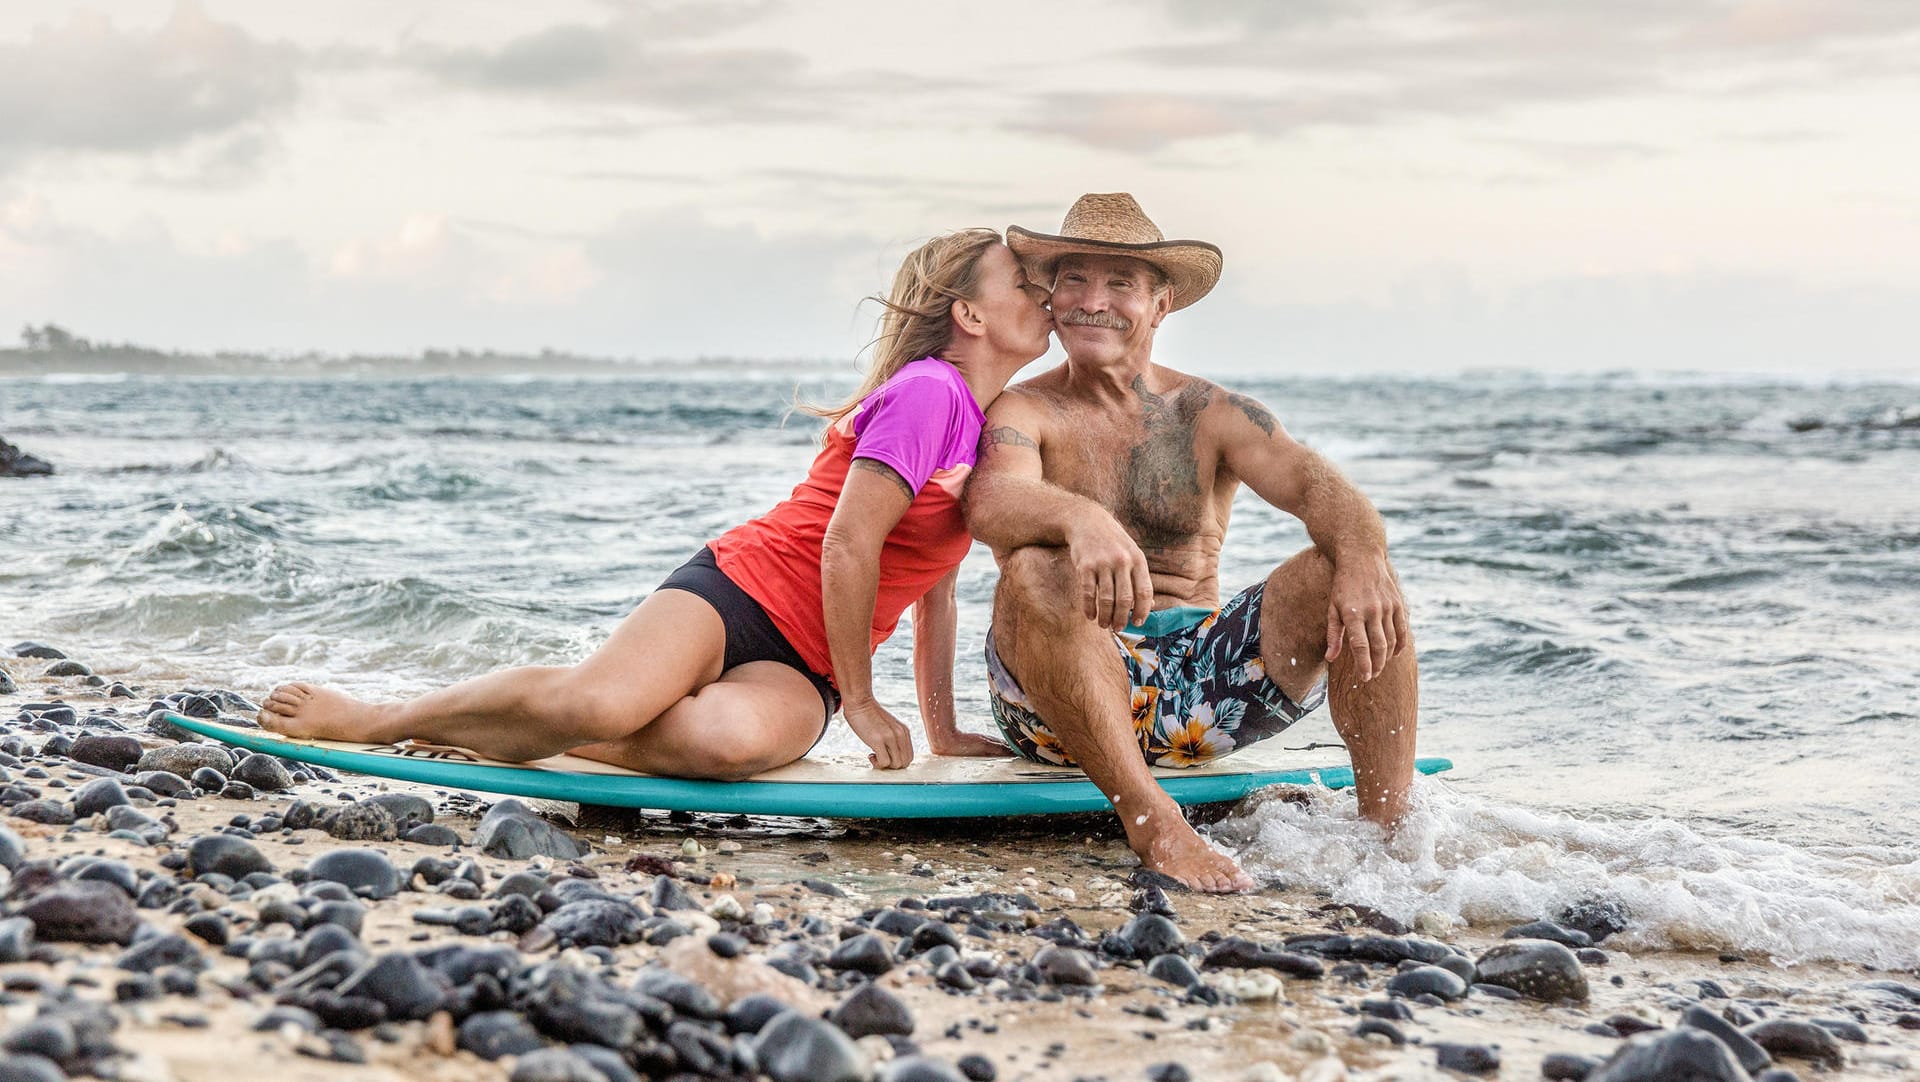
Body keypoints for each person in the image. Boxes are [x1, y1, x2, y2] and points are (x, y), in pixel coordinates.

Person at [260, 228, 1054, 776]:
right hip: (741, 590)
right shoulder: (929, 393)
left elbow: (934, 587)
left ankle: (513, 735)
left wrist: (941, 727)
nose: (1045, 293)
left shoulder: (984, 422)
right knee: (598, 701)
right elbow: (847, 545)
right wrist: (862, 702)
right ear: (970, 314)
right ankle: (381, 719)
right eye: (1024, 282)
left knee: (723, 745)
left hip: (806, 661)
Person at [964, 193, 1420, 893]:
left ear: (1161, 304)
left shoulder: (1209, 411)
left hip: (1204, 694)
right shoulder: (1026, 408)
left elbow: (1314, 485)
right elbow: (991, 498)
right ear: (1051, 296)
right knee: (1034, 565)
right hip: (1058, 705)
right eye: (1075, 280)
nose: (1094, 301)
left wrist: (1362, 556)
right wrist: (1080, 520)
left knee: (1357, 572)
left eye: (1121, 284)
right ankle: (1154, 823)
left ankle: (1389, 846)